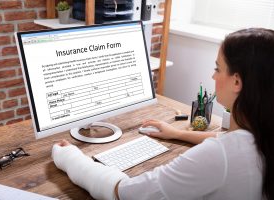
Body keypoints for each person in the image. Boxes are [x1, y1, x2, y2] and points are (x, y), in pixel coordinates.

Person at [52, 28, 274, 200]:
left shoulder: (220, 156)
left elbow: (127, 193)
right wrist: (177, 133)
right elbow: (229, 141)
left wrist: (71, 159)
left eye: (217, 68)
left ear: (236, 81)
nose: (213, 76)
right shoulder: (262, 133)